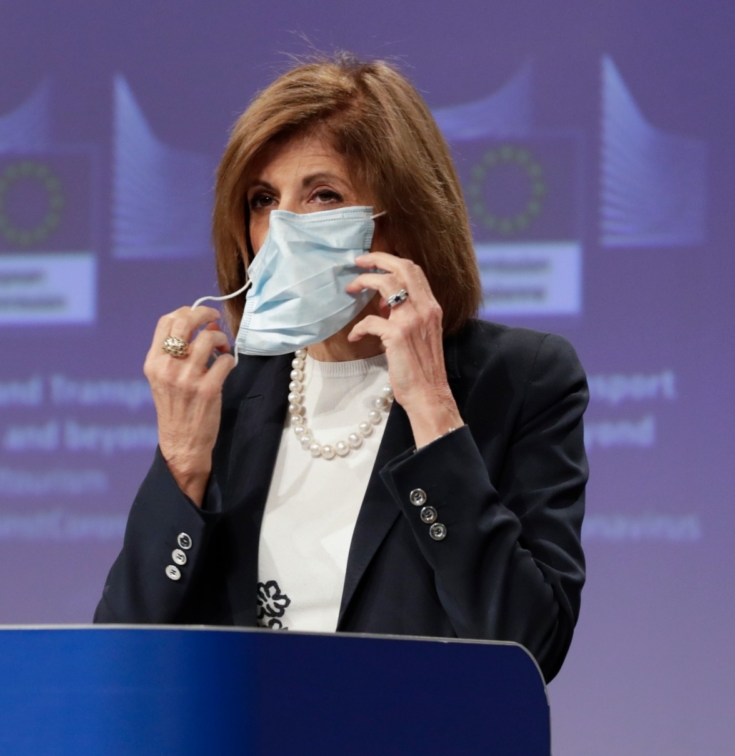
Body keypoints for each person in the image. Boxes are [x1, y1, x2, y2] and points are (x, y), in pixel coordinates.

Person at [93, 54, 588, 683]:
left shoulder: (520, 380)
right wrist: (182, 465)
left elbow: (527, 648)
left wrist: (434, 411)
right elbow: (115, 659)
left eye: (324, 195)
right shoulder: (230, 393)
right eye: (263, 199)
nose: (284, 229)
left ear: (401, 220)